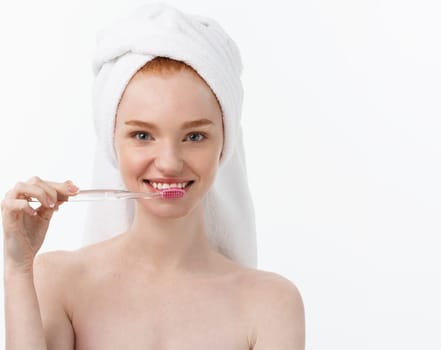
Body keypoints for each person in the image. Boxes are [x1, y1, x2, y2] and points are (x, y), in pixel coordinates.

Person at [2, 3, 305, 349]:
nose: (170, 163)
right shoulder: (56, 280)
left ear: (225, 144)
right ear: (112, 142)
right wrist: (17, 269)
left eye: (194, 136)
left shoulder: (271, 304)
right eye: (143, 135)